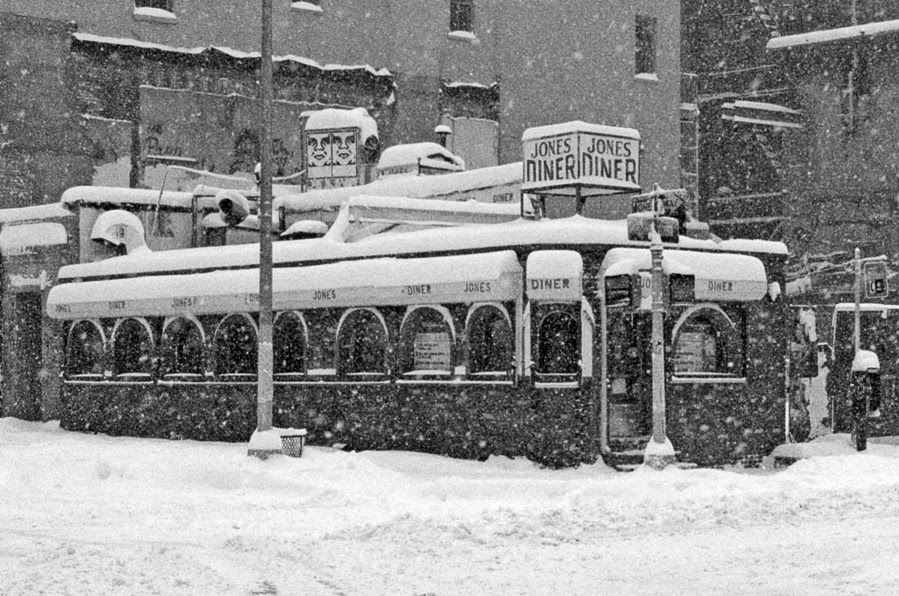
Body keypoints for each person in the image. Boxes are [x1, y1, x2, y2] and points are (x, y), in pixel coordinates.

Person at [849, 350, 880, 451]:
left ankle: (860, 444)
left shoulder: (864, 380)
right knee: (860, 419)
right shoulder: (870, 379)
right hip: (862, 404)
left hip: (862, 403)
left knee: (860, 419)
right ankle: (860, 444)